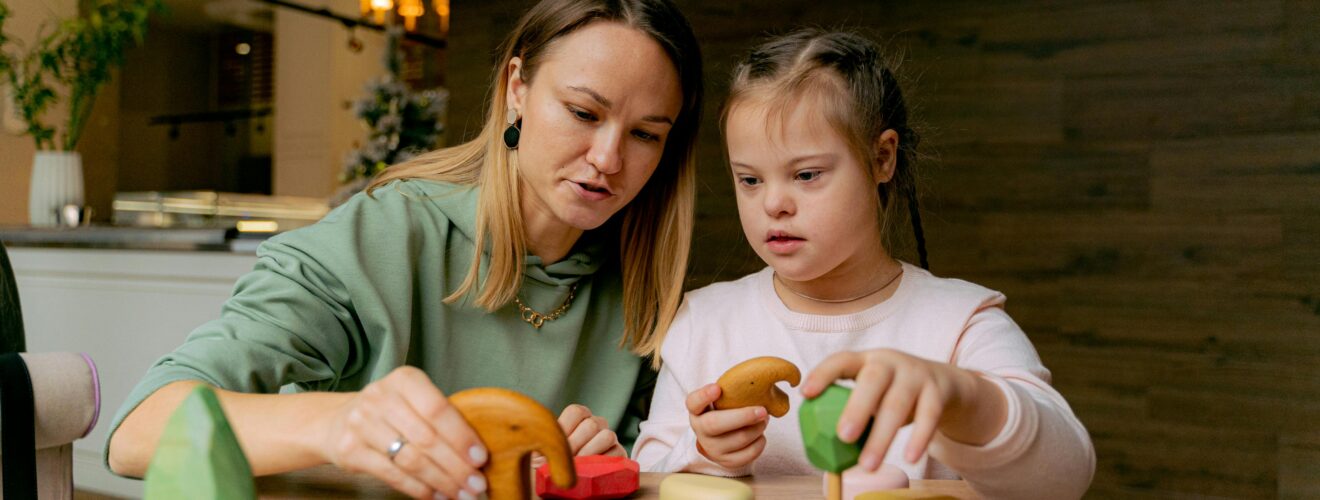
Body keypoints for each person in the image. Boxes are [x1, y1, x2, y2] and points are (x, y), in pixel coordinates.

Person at [106, 1, 703, 498]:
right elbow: (140, 431)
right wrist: (342, 423)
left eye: (645, 134)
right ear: (516, 87)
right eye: (582, 112)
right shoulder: (384, 236)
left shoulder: (645, 290)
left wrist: (594, 468)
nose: (608, 159)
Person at [631, 28, 1095, 499]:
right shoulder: (702, 324)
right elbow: (647, 476)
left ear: (881, 158)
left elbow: (1066, 478)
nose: (773, 203)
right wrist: (703, 451)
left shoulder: (960, 324)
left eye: (807, 174)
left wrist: (965, 398)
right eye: (749, 179)